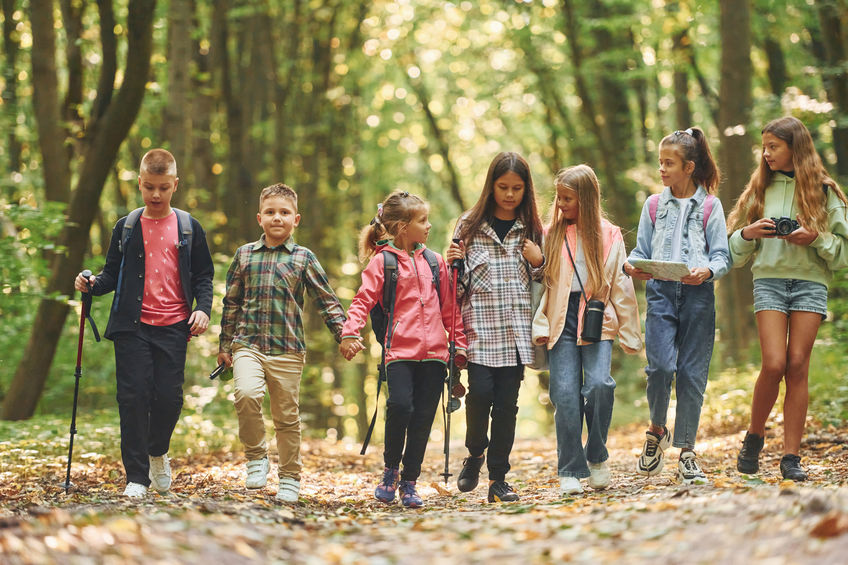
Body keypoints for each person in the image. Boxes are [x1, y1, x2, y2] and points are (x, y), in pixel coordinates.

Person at [74, 149, 214, 498]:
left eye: (163, 188)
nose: (155, 195)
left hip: (174, 326)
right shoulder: (126, 226)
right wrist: (90, 284)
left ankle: (157, 452)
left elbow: (204, 276)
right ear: (139, 183)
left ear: (175, 185)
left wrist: (204, 309)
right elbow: (110, 275)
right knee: (133, 398)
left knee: (169, 399)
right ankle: (136, 476)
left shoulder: (188, 227)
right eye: (149, 187)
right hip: (131, 327)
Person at [727, 116, 848, 482]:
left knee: (798, 364)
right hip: (769, 281)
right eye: (764, 148)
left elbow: (844, 253)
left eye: (773, 147)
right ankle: (755, 434)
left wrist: (815, 239)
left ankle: (791, 457)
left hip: (810, 283)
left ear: (795, 148)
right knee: (775, 363)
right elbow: (730, 253)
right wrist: (747, 234)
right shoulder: (758, 190)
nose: (766, 155)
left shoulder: (825, 191)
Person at [217, 183, 346, 503]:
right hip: (248, 343)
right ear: (259, 218)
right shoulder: (244, 254)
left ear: (296, 219)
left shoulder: (303, 258)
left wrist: (345, 334)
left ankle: (290, 476)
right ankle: (256, 457)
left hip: (288, 349)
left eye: (284, 213)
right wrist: (224, 344)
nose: (278, 218)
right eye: (271, 212)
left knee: (286, 417)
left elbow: (327, 300)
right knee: (245, 394)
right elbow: (231, 302)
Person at [339, 190, 467, 509]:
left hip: (436, 355)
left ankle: (410, 481)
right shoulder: (382, 263)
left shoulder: (436, 262)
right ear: (401, 228)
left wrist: (459, 346)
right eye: (422, 220)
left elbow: (450, 308)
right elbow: (362, 300)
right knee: (400, 407)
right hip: (399, 353)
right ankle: (390, 471)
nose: (429, 226)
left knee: (423, 417)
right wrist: (349, 332)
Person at [624, 127, 731, 485]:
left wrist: (708, 271)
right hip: (660, 293)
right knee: (660, 367)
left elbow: (722, 255)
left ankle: (687, 451)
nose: (662, 170)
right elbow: (641, 251)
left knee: (691, 374)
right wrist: (630, 264)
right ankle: (656, 430)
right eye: (660, 163)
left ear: (688, 167)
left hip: (699, 296)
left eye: (669, 163)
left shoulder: (711, 206)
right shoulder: (653, 205)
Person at [532, 165, 642, 495]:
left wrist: (630, 333)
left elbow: (622, 286)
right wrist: (540, 324)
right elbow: (544, 286)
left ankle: (596, 456)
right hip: (560, 319)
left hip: (597, 318)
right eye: (559, 197)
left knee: (598, 385)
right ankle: (569, 468)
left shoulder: (609, 235)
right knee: (564, 394)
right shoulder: (551, 233)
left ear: (587, 199)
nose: (561, 203)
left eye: (568, 198)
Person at [443, 152, 544, 503]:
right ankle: (475, 454)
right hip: (481, 332)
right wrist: (451, 264)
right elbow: (454, 289)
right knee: (480, 395)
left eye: (517, 188)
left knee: (506, 405)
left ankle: (499, 478)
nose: (510, 194)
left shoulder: (532, 229)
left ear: (526, 189)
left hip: (516, 334)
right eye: (503, 187)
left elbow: (546, 284)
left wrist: (539, 262)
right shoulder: (469, 225)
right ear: (491, 186)